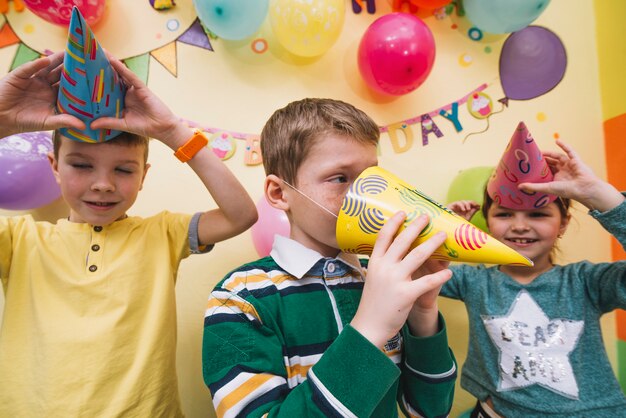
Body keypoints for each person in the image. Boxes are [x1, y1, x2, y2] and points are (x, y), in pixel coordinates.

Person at [0, 52, 258, 416]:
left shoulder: (163, 233)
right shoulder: (18, 240)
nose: (103, 184)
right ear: (54, 167)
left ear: (144, 175)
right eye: (81, 165)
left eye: (123, 169)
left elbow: (241, 214)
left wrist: (172, 131)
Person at [202, 98, 457, 417]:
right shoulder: (239, 297)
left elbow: (429, 409)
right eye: (340, 178)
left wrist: (423, 310)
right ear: (280, 193)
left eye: (371, 179)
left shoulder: (377, 277)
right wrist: (368, 328)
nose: (368, 197)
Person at [445, 139, 626, 417]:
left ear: (563, 223)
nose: (519, 226)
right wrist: (444, 233)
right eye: (504, 214)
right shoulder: (474, 281)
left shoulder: (586, 282)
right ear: (488, 221)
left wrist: (597, 194)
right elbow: (412, 271)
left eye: (537, 213)